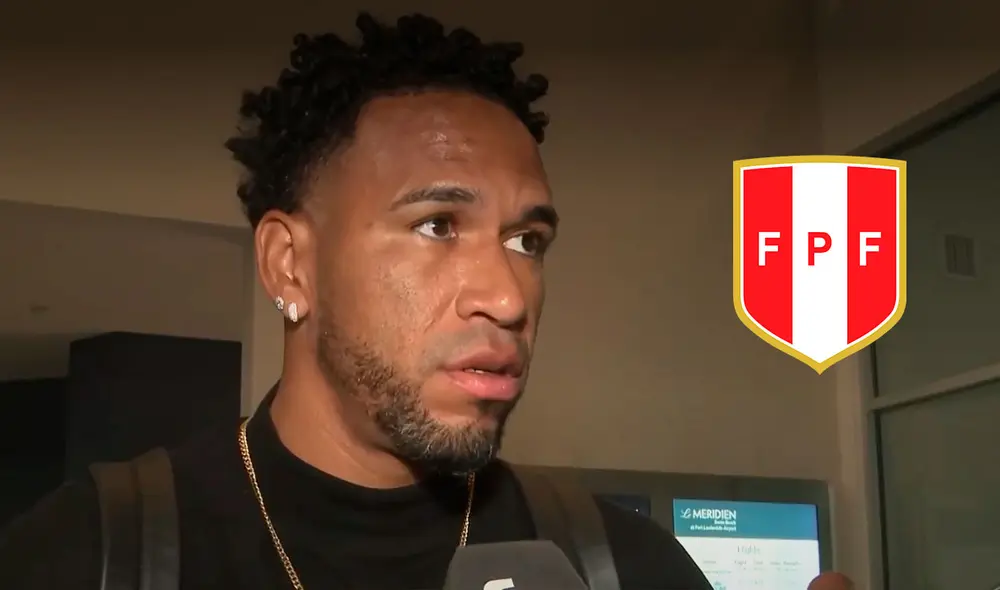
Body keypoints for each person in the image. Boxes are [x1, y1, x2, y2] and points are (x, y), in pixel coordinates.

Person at [0, 12, 712, 590]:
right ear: (290, 265)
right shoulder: (89, 553)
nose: (506, 296)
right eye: (437, 225)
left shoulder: (627, 567)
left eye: (527, 241)